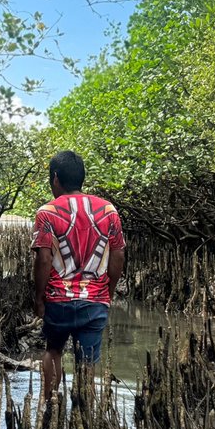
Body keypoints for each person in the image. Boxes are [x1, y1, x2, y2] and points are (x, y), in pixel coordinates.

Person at [32, 150, 126, 402]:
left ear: (55, 178)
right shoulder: (108, 210)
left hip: (58, 301)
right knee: (87, 362)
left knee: (53, 351)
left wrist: (39, 298)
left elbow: (43, 259)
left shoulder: (47, 212)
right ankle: (84, 410)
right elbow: (118, 255)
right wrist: (108, 291)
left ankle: (50, 403)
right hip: (95, 301)